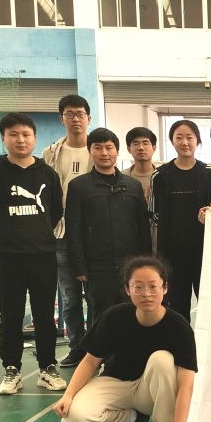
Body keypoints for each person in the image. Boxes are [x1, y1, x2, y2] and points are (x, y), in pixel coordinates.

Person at [54, 256, 197, 422]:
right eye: (138, 287)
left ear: (165, 288)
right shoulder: (114, 316)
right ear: (128, 290)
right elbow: (90, 361)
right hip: (116, 383)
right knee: (74, 418)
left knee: (162, 359)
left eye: (153, 286)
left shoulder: (179, 327)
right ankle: (133, 418)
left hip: (150, 392)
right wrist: (68, 395)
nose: (146, 293)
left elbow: (186, 385)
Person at [0, 112, 66, 396]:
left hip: (43, 256)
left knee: (44, 315)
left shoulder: (48, 174)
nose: (20, 140)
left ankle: (47, 368)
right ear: (4, 138)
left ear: (34, 138)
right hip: (8, 258)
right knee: (11, 315)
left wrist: (38, 234)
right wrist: (6, 233)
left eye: (26, 134)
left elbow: (55, 211)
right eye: (13, 134)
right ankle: (11, 369)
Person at [65, 127, 152, 325]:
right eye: (98, 148)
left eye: (109, 147)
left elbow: (142, 228)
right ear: (90, 151)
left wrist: (145, 262)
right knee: (100, 316)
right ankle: (99, 347)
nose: (104, 153)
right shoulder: (78, 186)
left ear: (117, 151)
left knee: (132, 315)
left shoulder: (132, 185)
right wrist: (79, 266)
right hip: (97, 267)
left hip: (129, 265)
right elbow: (73, 229)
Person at [42, 94, 91, 368]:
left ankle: (97, 349)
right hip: (61, 236)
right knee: (70, 299)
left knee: (96, 298)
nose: (75, 119)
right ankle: (77, 348)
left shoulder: (99, 148)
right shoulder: (50, 153)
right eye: (69, 114)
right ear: (62, 119)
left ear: (88, 118)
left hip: (93, 235)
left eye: (80, 114)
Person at [152, 119, 211, 321]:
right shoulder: (160, 176)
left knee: (208, 307)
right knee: (177, 309)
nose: (185, 142)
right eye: (179, 137)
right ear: (172, 141)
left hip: (204, 254)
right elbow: (155, 217)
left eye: (190, 137)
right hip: (172, 256)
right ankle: (181, 341)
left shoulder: (209, 174)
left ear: (198, 141)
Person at [124, 127, 157, 203]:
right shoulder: (121, 177)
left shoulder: (162, 175)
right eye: (136, 144)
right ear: (129, 149)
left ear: (154, 148)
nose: (141, 148)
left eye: (145, 143)